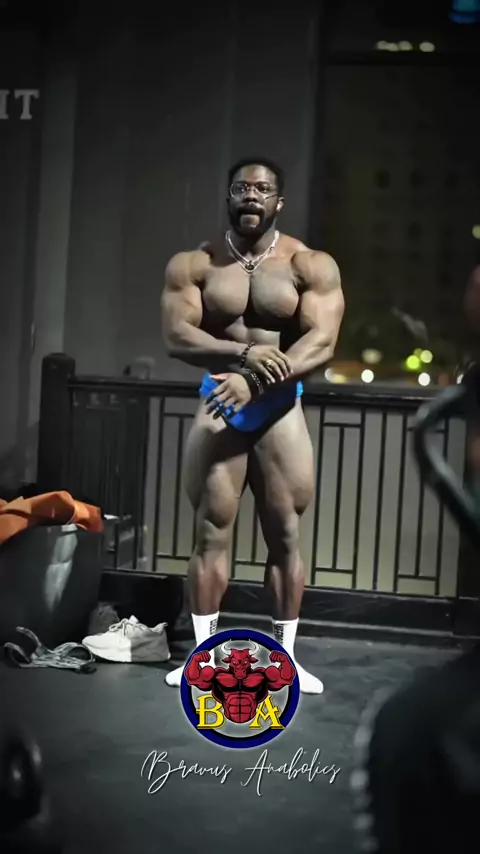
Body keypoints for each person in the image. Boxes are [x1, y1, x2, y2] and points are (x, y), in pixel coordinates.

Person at [161, 156, 345, 693]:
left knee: (284, 535)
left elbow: (322, 343)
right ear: (228, 196)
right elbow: (177, 335)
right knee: (210, 533)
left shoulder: (309, 264)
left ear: (278, 202)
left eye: (263, 189)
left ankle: (284, 661)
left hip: (279, 406)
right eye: (242, 187)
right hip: (220, 400)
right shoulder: (195, 264)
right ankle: (203, 659)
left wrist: (255, 383)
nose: (251, 195)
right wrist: (242, 357)